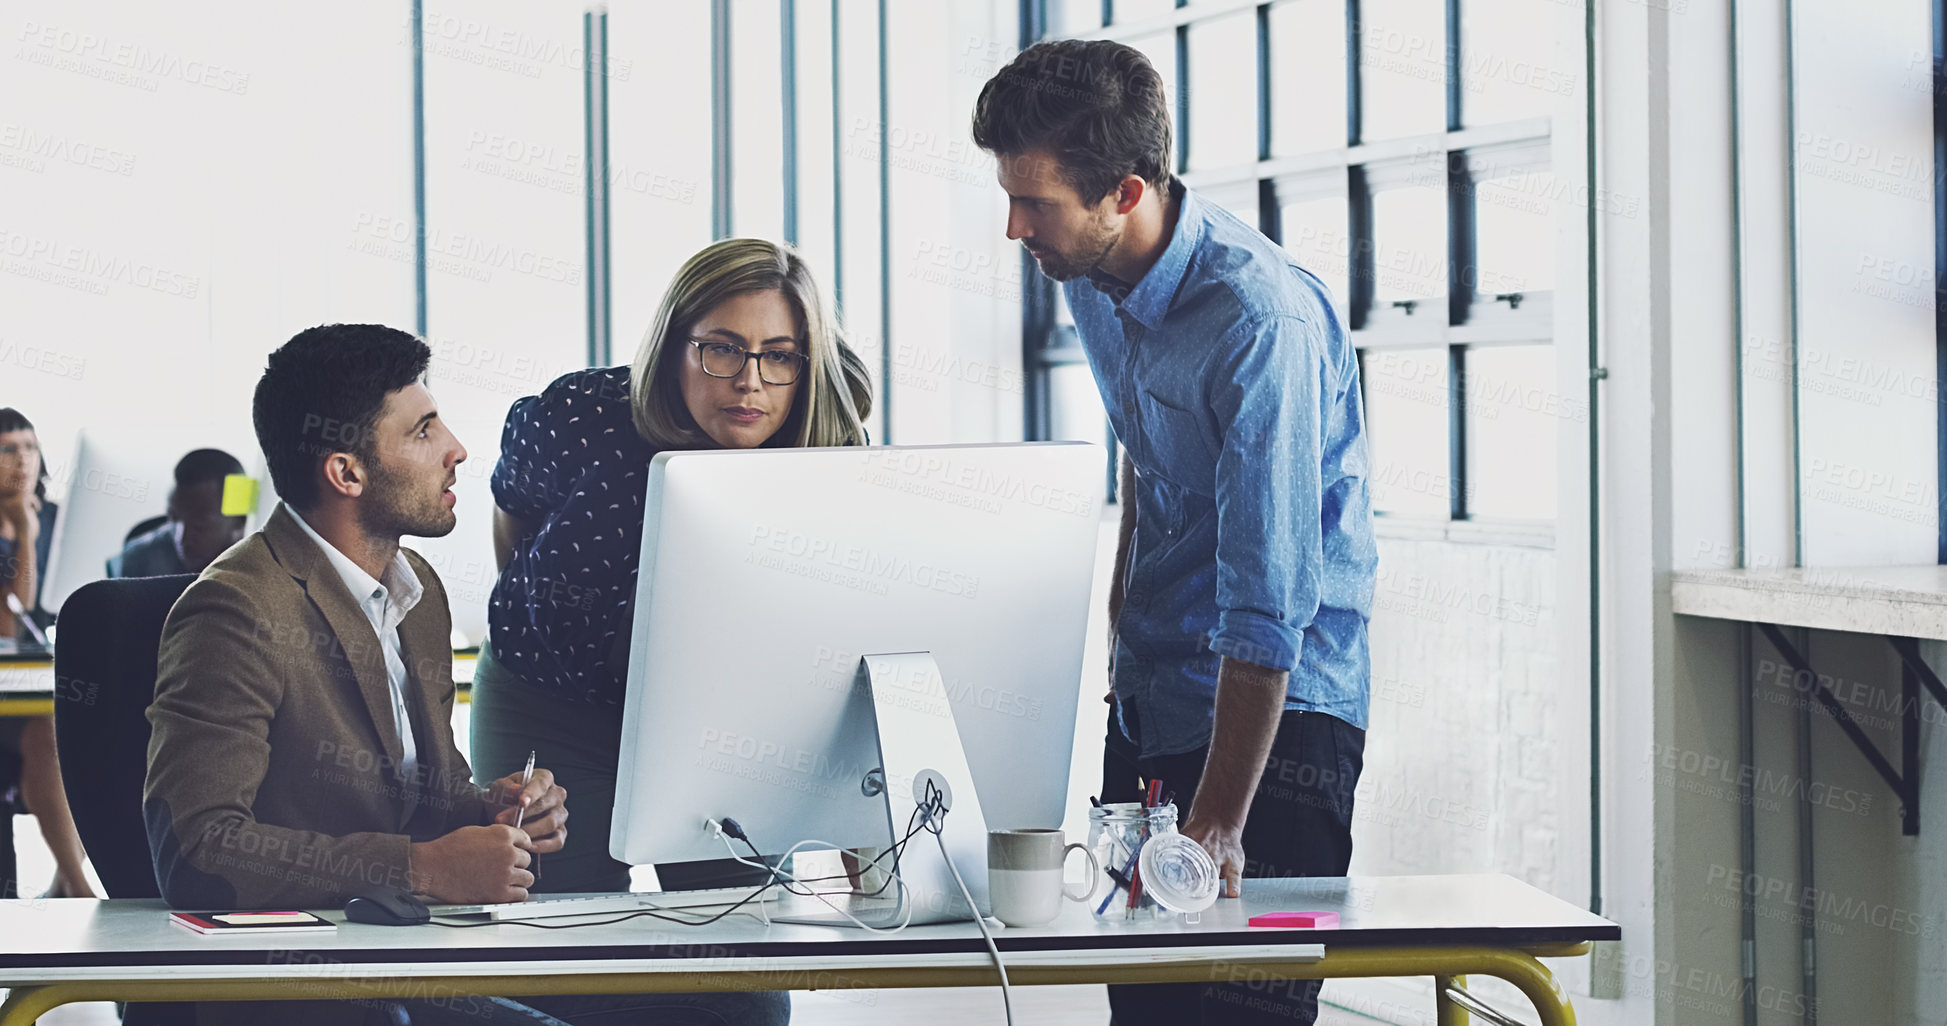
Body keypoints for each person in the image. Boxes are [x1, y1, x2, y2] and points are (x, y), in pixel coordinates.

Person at [144, 325, 773, 1026]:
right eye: (422, 431)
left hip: (420, 952)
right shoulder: (236, 607)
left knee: (735, 1000)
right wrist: (423, 870)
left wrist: (491, 810)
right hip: (306, 983)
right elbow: (199, 852)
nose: (457, 450)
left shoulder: (417, 594)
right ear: (346, 473)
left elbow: (415, 800)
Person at [975, 40, 1377, 1025]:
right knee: (1148, 1016)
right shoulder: (1091, 274)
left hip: (1278, 737)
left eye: (1035, 204)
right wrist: (1123, 663)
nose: (1013, 227)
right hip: (1157, 705)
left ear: (1124, 191)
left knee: (1241, 1018)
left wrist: (1222, 822)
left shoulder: (1258, 323)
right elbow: (1147, 459)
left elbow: (1269, 601)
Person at [474, 238, 871, 902]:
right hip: (549, 701)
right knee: (551, 929)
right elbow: (514, 514)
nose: (749, 382)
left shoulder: (831, 451)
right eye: (721, 348)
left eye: (777, 356)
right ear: (672, 345)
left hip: (724, 725)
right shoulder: (577, 416)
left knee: (738, 951)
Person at [0, 407, 94, 900]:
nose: (23, 460)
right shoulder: (25, 523)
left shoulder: (63, 518)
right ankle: (78, 888)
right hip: (8, 697)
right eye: (7, 448)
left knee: (85, 728)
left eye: (30, 447)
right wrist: (20, 527)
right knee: (48, 732)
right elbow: (16, 615)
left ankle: (66, 883)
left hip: (52, 679)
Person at [107, 447, 249, 577]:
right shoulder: (138, 560)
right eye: (174, 519)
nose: (181, 539)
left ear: (239, 522)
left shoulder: (259, 565)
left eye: (199, 525)